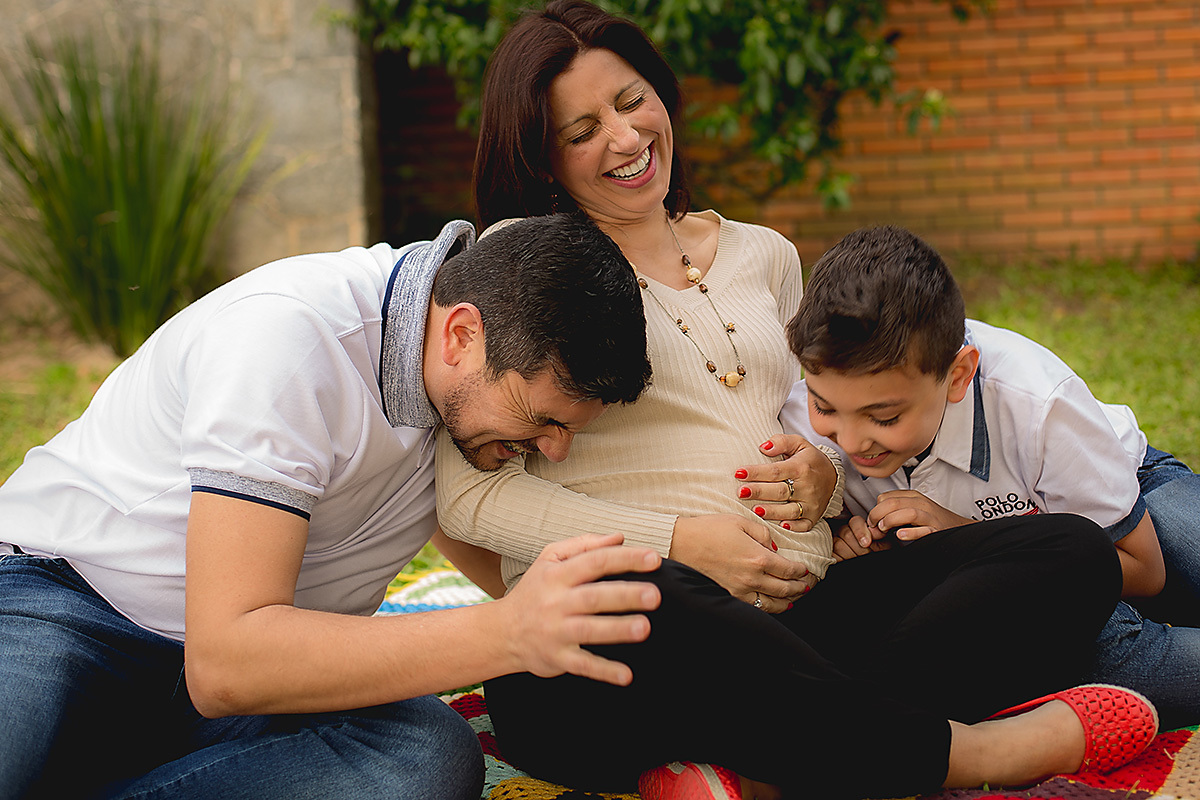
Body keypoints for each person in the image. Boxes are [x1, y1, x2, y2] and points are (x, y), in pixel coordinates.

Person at [433, 3, 1147, 799]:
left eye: (633, 102)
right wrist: (681, 541)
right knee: (650, 592)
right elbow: (462, 498)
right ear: (544, 157)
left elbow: (808, 427)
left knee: (1071, 554)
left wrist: (825, 477)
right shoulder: (521, 264)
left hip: (801, 615)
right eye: (582, 131)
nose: (626, 139)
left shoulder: (763, 254)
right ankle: (964, 755)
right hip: (624, 642)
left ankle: (772, 765)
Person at [0, 213, 670, 799]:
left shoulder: (464, 400)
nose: (552, 450)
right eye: (541, 418)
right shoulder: (291, 342)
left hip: (229, 693)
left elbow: (500, 562)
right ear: (462, 336)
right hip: (66, 606)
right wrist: (508, 632)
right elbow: (227, 661)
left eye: (569, 431)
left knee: (424, 756)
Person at [781, 223, 1200, 730]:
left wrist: (964, 535)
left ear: (957, 375)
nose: (850, 441)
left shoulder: (1040, 403)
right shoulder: (804, 424)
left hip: (1131, 504)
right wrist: (861, 545)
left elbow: (1144, 569)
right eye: (825, 407)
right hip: (1034, 596)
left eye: (885, 418)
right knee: (1141, 663)